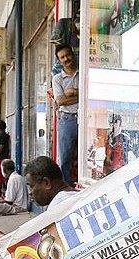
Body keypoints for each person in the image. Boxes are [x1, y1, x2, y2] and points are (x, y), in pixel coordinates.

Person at [51, 44, 79, 183]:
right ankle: (66, 187)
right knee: (65, 158)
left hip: (86, 118)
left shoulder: (84, 72)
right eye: (62, 57)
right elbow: (60, 101)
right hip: (67, 120)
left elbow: (90, 94)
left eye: (68, 55)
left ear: (72, 54)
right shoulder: (57, 79)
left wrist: (72, 93)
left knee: (86, 155)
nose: (66, 58)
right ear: (59, 60)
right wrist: (80, 95)